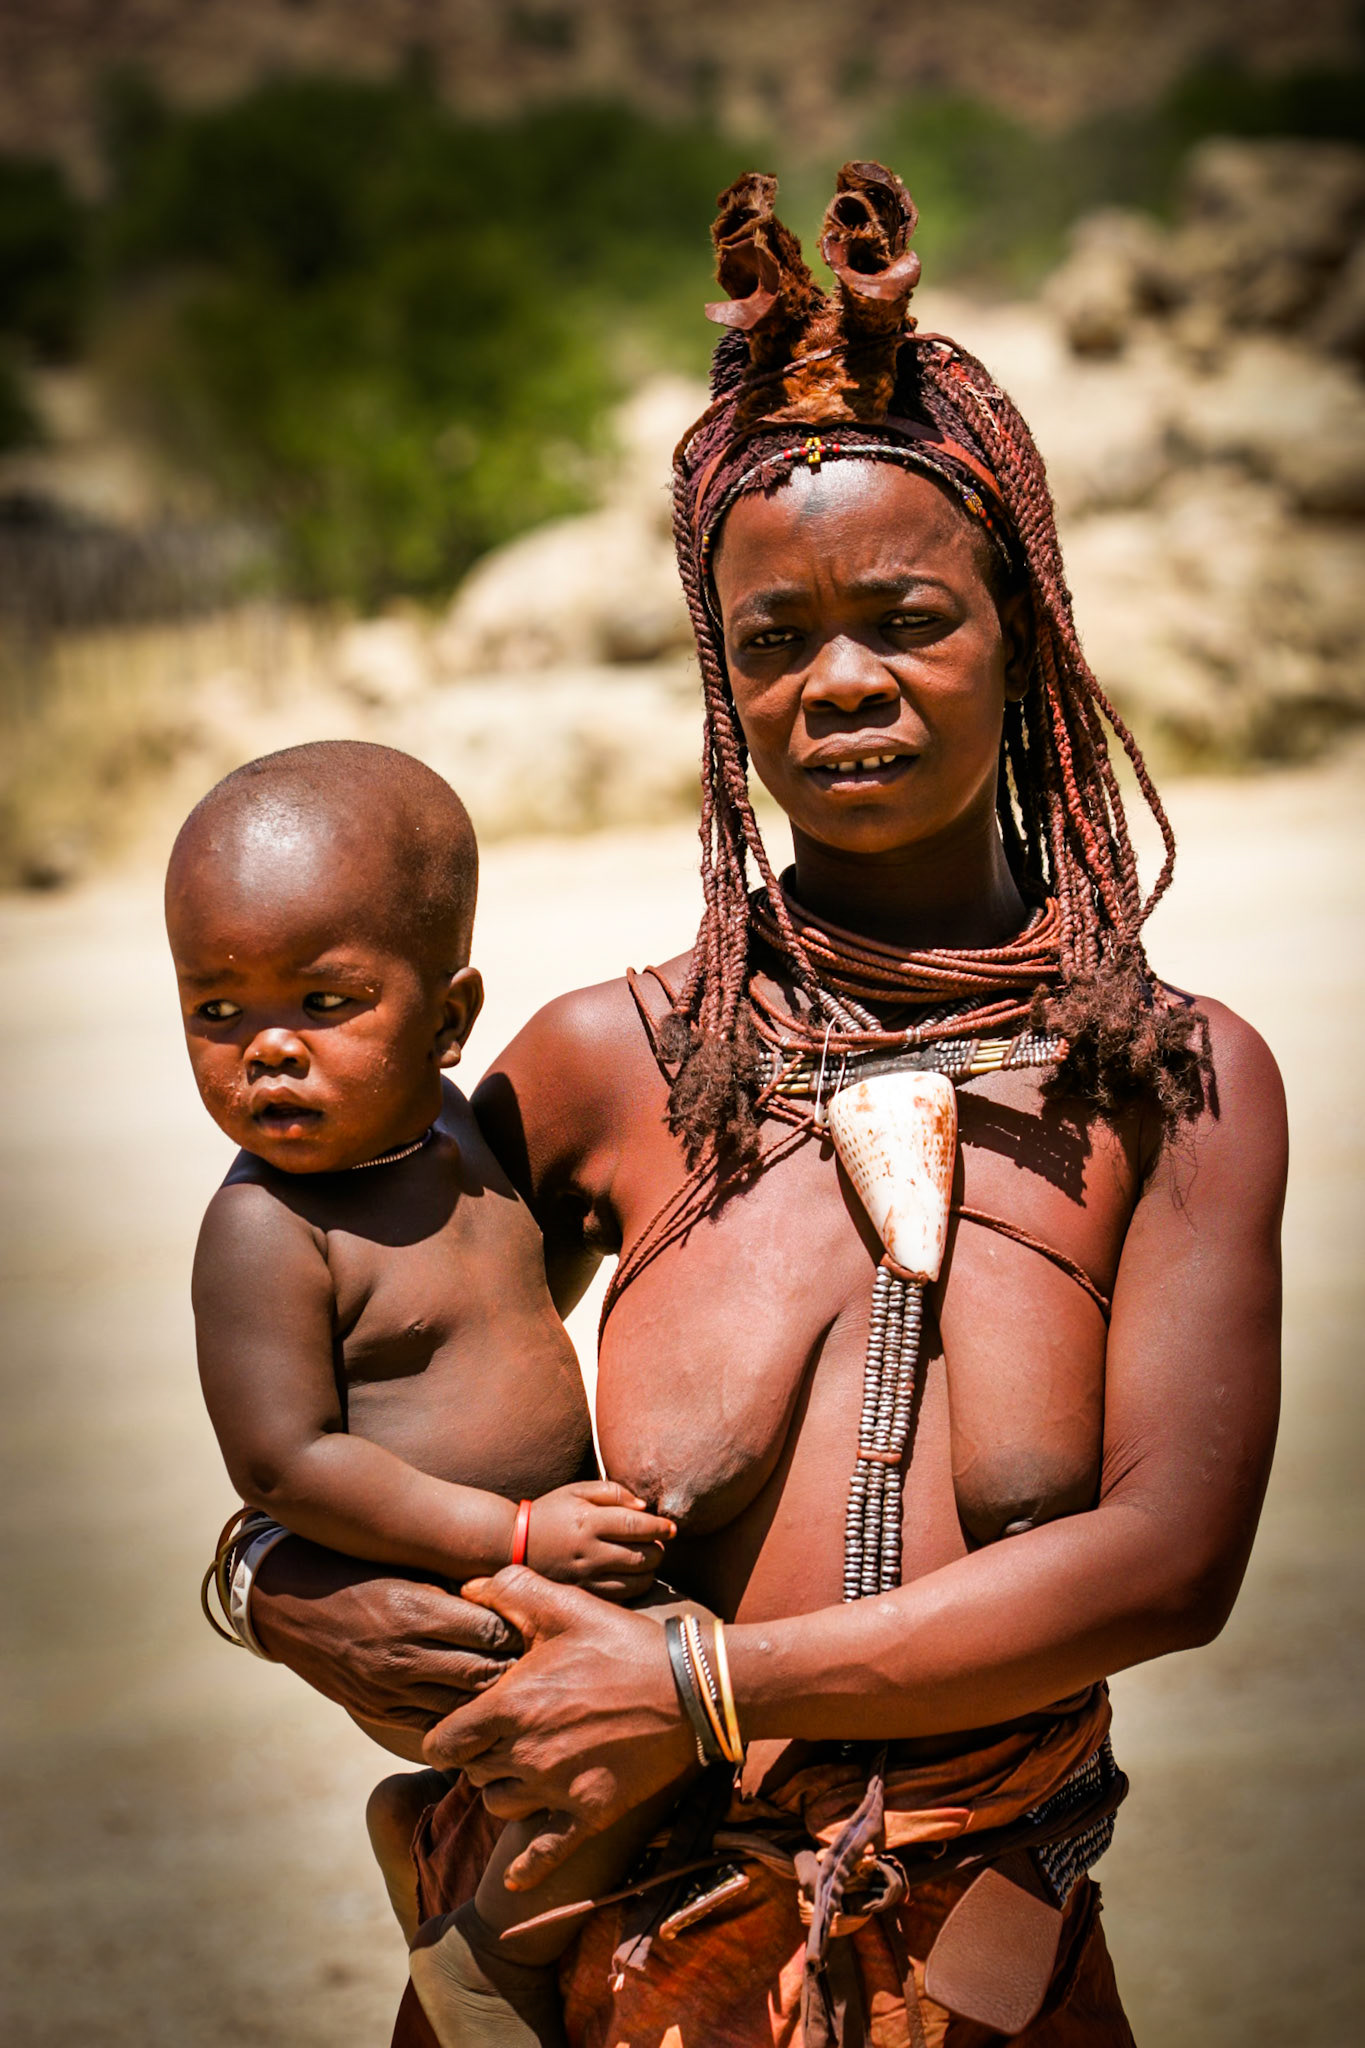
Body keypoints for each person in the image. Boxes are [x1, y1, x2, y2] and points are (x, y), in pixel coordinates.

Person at [227, 165, 1286, 2045]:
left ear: (1022, 634)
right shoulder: (606, 1064)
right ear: (721, 691)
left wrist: (704, 1682)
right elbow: (347, 1355)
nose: (841, 682)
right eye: (775, 640)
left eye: (906, 619)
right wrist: (278, 1583)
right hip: (585, 1966)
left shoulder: (1170, 1079)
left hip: (970, 1967)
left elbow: (1168, 1560)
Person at [169, 740, 679, 2044]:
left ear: (449, 1021)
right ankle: (483, 1954)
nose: (267, 1053)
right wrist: (512, 1536)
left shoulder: (461, 1133)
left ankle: (425, 1836)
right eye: (217, 1012)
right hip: (455, 1587)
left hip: (544, 1554)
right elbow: (283, 1466)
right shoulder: (271, 1233)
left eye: (323, 1004)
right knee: (622, 1746)